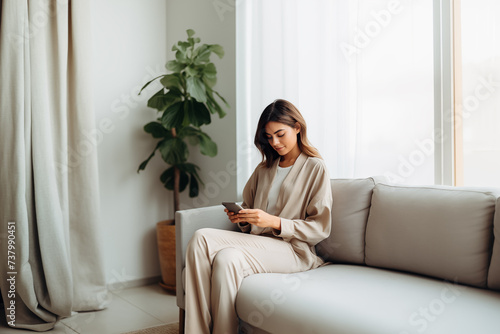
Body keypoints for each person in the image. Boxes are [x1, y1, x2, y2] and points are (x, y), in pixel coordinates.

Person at [184, 99, 332, 334]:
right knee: (226, 259)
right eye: (269, 136)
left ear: (297, 127)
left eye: (280, 134)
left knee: (201, 237)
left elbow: (320, 228)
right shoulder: (263, 170)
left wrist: (273, 221)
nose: (275, 142)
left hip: (293, 251)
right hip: (259, 246)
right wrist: (242, 218)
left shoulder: (315, 167)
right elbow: (249, 207)